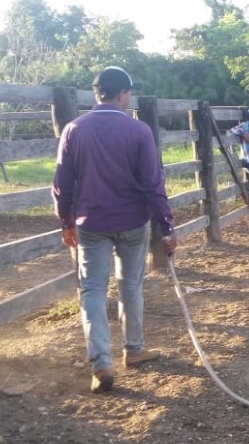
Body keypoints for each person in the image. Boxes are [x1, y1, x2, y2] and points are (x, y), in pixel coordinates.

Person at [52, 66, 177, 394]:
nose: (130, 96)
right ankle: (134, 350)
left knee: (92, 290)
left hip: (91, 223)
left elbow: (62, 184)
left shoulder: (74, 130)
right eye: (129, 92)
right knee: (130, 286)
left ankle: (101, 363)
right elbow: (153, 183)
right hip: (132, 221)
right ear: (122, 93)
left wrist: (65, 221)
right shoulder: (139, 131)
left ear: (97, 93)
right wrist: (166, 226)